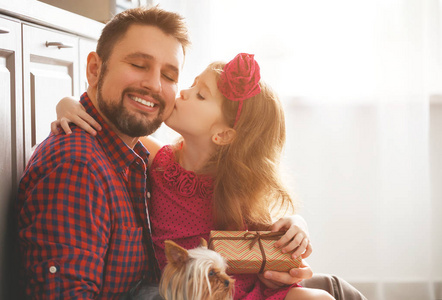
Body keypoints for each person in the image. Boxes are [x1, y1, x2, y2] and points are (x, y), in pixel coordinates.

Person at [17, 6, 315, 299]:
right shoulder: (83, 166)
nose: (157, 85)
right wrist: (69, 102)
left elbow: (268, 227)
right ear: (94, 69)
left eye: (170, 75)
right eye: (138, 64)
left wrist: (295, 227)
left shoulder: (133, 153)